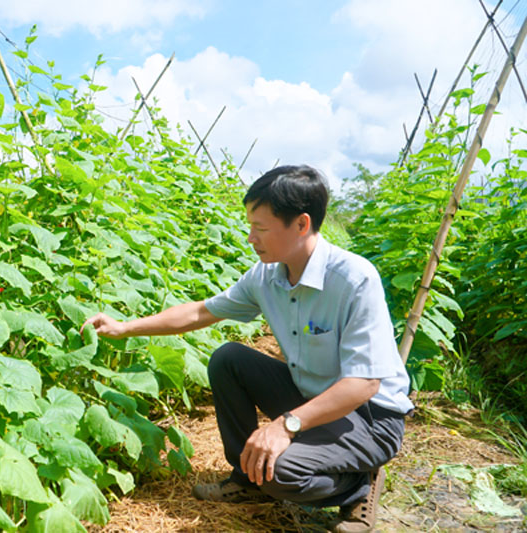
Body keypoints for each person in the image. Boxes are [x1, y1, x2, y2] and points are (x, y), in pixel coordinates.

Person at [82, 165, 413, 533]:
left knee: (278, 473)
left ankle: (358, 484)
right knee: (229, 359)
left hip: (370, 417)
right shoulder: (267, 275)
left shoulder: (353, 279)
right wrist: (125, 327)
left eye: (261, 228)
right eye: (250, 226)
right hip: (311, 396)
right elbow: (200, 312)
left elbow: (363, 384)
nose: (252, 237)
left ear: (301, 225)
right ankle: (246, 480)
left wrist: (286, 426)